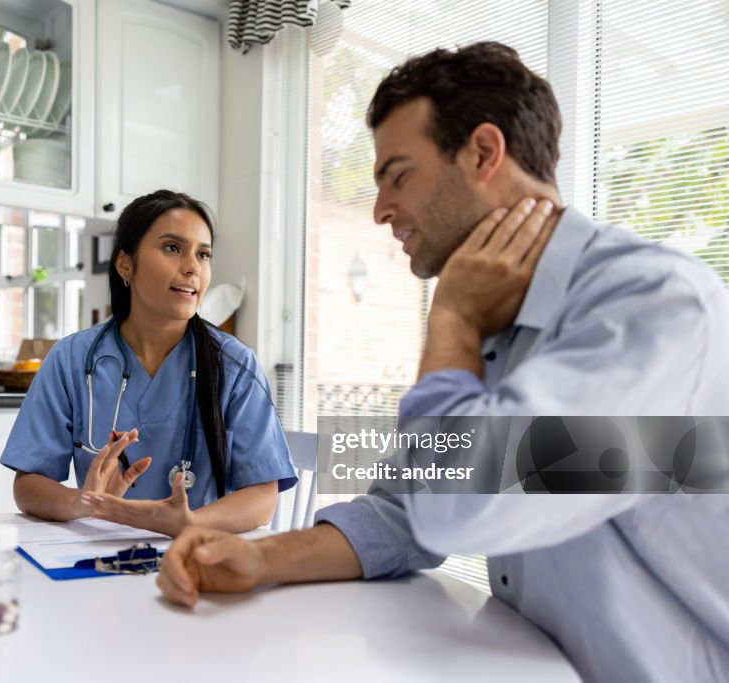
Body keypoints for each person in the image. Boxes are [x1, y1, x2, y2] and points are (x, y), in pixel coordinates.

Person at [156, 42, 729, 683]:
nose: (379, 211)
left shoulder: (652, 306)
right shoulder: (500, 313)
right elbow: (406, 506)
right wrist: (263, 559)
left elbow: (461, 499)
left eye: (397, 175)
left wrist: (451, 320)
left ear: (483, 153)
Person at [0, 190, 297, 537]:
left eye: (203, 254)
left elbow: (263, 496)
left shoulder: (234, 364)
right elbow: (28, 484)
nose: (192, 267)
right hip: (98, 553)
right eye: (173, 248)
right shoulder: (71, 359)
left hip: (195, 556)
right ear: (126, 264)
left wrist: (188, 523)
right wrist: (84, 502)